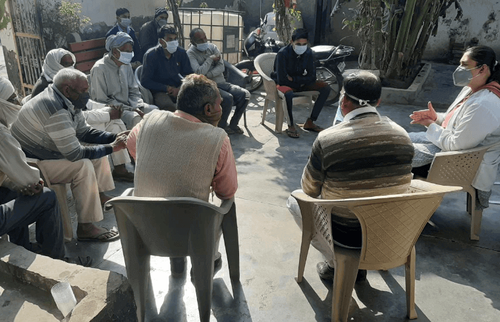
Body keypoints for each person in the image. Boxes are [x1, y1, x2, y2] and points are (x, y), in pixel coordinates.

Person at [288, 71, 414, 282]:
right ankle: (359, 263)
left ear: (344, 101)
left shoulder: (328, 139)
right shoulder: (402, 136)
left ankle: (334, 262)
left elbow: (309, 189)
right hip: (390, 233)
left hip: (345, 236)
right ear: (378, 102)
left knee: (294, 199)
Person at [126, 74, 237, 273]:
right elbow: (226, 192)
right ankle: (206, 262)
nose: (222, 109)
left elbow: (132, 145)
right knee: (221, 209)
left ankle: (177, 263)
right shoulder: (218, 139)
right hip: (190, 235)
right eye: (220, 104)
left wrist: (158, 163)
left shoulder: (149, 120)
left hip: (144, 228)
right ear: (208, 109)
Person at [11, 68, 127, 242]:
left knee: (97, 150)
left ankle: (100, 196)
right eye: (84, 91)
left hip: (47, 151)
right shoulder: (55, 108)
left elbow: (84, 131)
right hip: (32, 163)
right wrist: (112, 147)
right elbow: (74, 154)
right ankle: (86, 227)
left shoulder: (68, 100)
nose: (87, 95)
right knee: (83, 166)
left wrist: (114, 138)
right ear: (67, 89)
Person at [409, 45, 500, 209]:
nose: (459, 69)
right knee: (402, 138)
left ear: (482, 69)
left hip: (463, 163)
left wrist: (430, 125)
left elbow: (455, 145)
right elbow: (459, 121)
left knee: (397, 154)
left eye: (465, 65)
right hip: (451, 149)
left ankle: (408, 211)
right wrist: (436, 118)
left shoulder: (485, 104)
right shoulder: (472, 89)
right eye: (460, 64)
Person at [89, 32, 158, 181]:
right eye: (126, 51)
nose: (129, 54)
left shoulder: (126, 66)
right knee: (134, 118)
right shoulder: (99, 69)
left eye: (130, 51)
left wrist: (138, 104)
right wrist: (131, 109)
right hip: (114, 110)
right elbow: (100, 99)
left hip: (130, 105)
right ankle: (136, 159)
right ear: (115, 51)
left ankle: (152, 154)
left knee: (154, 111)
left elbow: (134, 90)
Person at [187, 28, 249, 135]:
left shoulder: (212, 47)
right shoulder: (190, 53)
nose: (204, 41)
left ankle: (233, 125)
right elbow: (198, 72)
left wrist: (208, 74)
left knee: (244, 94)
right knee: (227, 98)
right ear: (193, 42)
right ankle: (222, 126)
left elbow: (221, 67)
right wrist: (210, 59)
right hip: (208, 86)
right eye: (200, 40)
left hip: (222, 83)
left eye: (204, 38)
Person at [272, 28, 331, 138]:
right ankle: (290, 125)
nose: (301, 46)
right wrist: (301, 80)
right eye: (298, 43)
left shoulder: (309, 53)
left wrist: (294, 80)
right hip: (285, 85)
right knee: (288, 93)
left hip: (299, 83)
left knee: (325, 88)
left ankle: (310, 121)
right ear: (291, 42)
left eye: (304, 44)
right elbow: (282, 80)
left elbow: (312, 77)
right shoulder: (282, 54)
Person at [141, 25, 193, 111]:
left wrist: (180, 88)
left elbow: (189, 74)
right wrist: (166, 88)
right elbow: (145, 81)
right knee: (169, 107)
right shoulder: (151, 55)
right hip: (160, 91)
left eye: (175, 39)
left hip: (179, 88)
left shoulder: (181, 53)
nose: (174, 42)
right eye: (170, 39)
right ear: (161, 41)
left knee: (195, 104)